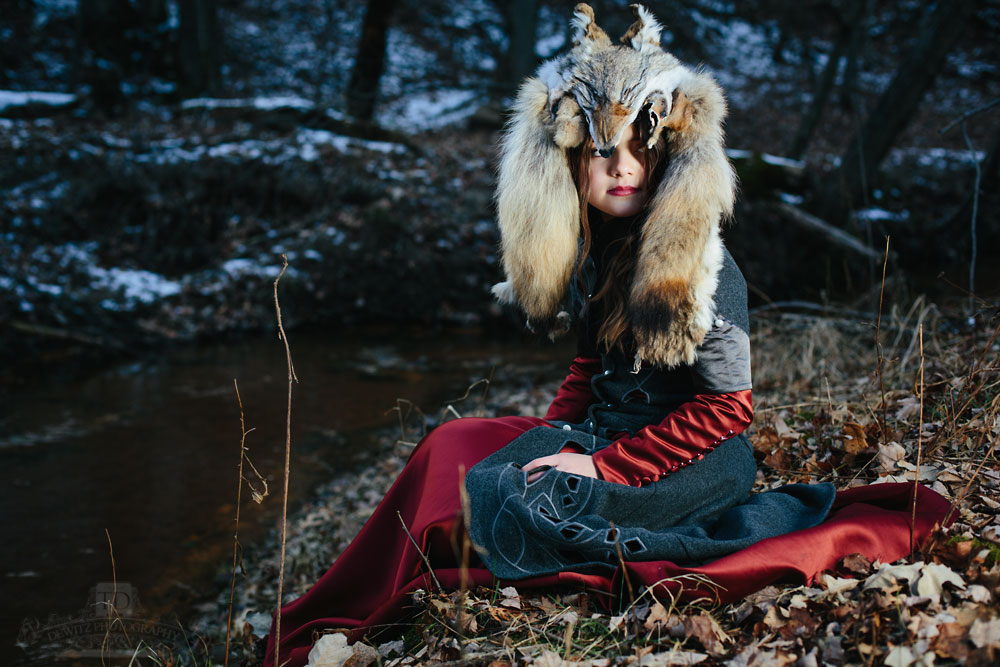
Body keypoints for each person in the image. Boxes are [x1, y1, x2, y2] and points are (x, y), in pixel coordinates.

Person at [263, 6, 946, 666]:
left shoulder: (703, 266)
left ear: (664, 152)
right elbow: (588, 369)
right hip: (606, 434)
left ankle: (610, 516)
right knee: (458, 449)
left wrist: (597, 466)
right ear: (574, 164)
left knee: (531, 497)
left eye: (637, 150)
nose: (621, 168)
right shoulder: (598, 251)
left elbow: (727, 411)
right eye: (600, 152)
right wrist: (547, 437)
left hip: (693, 453)